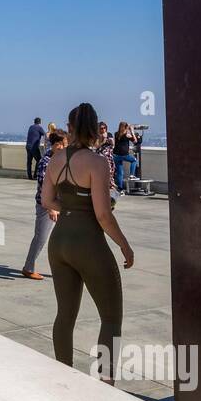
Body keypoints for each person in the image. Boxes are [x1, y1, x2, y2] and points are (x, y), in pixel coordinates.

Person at [42, 103, 134, 384]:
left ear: (69, 127)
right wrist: (124, 245)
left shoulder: (56, 159)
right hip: (88, 242)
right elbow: (103, 215)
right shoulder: (96, 163)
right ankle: (105, 385)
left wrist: (69, 208)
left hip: (59, 243)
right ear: (95, 129)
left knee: (65, 315)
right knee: (110, 318)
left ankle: (65, 377)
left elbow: (47, 201)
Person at [22, 129, 67, 279]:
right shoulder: (46, 162)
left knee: (64, 238)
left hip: (61, 204)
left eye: (64, 144)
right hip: (47, 206)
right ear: (52, 145)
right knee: (40, 238)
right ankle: (28, 268)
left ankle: (65, 268)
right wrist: (51, 209)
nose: (61, 147)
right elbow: (43, 189)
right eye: (58, 144)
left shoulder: (61, 160)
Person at [113, 122, 139, 193]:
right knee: (134, 160)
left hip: (116, 155)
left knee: (120, 173)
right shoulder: (127, 135)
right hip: (124, 154)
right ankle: (131, 175)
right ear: (125, 127)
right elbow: (135, 141)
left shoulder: (116, 134)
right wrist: (132, 131)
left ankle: (120, 189)